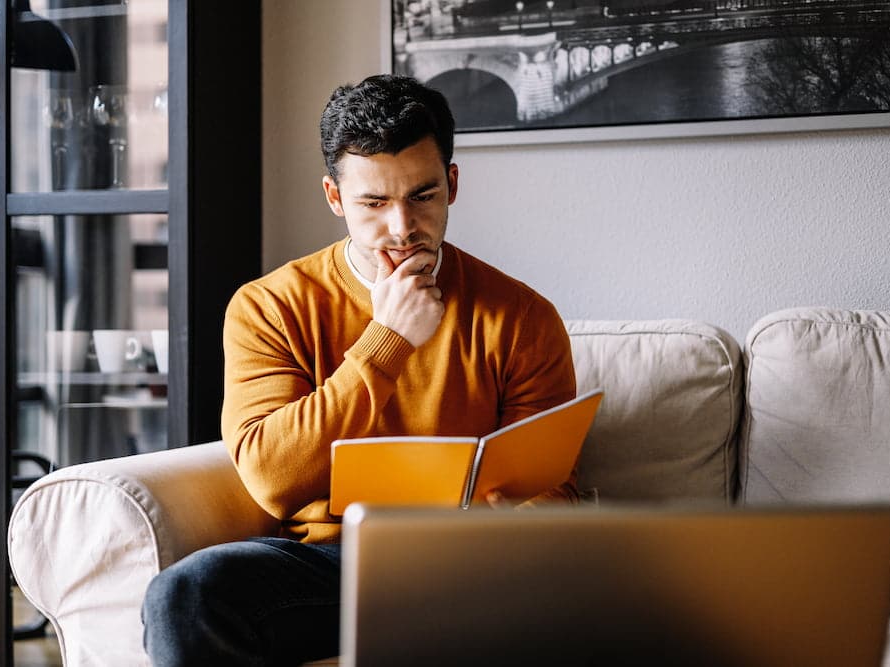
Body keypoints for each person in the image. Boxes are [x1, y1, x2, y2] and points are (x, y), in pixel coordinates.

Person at [141, 73, 578, 666]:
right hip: (329, 565)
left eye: (422, 196)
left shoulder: (523, 316)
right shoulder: (270, 306)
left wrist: (506, 525)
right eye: (374, 203)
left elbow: (551, 487)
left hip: (469, 567)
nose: (401, 228)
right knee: (188, 593)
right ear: (334, 197)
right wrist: (387, 341)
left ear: (451, 184)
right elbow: (271, 475)